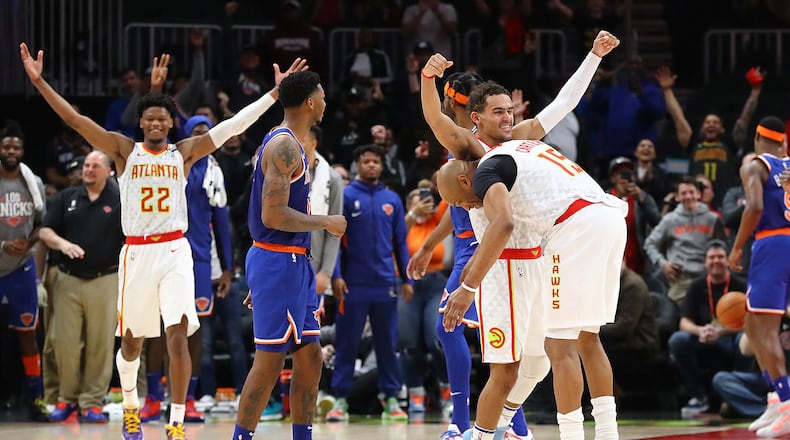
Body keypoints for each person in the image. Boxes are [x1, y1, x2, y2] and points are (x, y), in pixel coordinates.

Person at [20, 42, 307, 440]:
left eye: (162, 120)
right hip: (136, 252)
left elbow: (234, 125)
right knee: (133, 342)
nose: (156, 125)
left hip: (175, 250)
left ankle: (175, 422)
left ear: (171, 124)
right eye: (150, 120)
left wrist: (275, 94)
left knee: (178, 334)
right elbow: (76, 119)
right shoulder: (124, 151)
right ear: (142, 123)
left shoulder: (184, 153)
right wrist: (39, 82)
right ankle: (132, 410)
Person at [420, 30, 621, 440]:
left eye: (510, 110)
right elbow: (435, 119)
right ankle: (478, 429)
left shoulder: (522, 141)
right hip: (496, 263)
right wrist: (427, 80)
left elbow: (565, 103)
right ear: (477, 118)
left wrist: (593, 57)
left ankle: (511, 423)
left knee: (542, 358)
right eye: (499, 112)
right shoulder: (471, 149)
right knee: (513, 362)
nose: (508, 118)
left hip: (538, 257)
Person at [437, 138, 627, 440]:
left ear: (464, 180)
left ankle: (571, 435)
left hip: (573, 227)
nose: (466, 207)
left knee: (558, 347)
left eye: (460, 201)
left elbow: (503, 225)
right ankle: (607, 432)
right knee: (588, 339)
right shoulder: (519, 146)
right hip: (610, 215)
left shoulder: (486, 172)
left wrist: (468, 288)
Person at [409, 71, 534, 440]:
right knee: (492, 338)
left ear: (453, 100)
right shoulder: (467, 145)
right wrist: (430, 244)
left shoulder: (473, 145)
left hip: (480, 247)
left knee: (459, 330)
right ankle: (509, 424)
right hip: (469, 243)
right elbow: (457, 207)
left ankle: (465, 421)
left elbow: (434, 116)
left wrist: (426, 78)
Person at [231, 70, 347, 440]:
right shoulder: (282, 145)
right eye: (323, 96)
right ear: (311, 102)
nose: (326, 103)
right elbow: (272, 215)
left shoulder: (292, 144)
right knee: (267, 364)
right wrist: (326, 221)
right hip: (278, 261)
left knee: (310, 358)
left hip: (292, 263)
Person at [326, 144, 412, 423]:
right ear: (357, 166)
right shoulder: (347, 196)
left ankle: (391, 399)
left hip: (386, 283)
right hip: (353, 285)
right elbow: (335, 241)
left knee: (387, 343)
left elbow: (400, 241)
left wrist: (407, 279)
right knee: (347, 342)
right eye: (366, 161)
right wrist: (336, 276)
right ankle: (340, 399)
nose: (372, 165)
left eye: (376, 161)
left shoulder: (393, 199)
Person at [39, 151, 123, 423]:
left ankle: (92, 402)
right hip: (69, 279)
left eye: (95, 165)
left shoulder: (120, 200)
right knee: (64, 343)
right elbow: (44, 231)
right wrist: (63, 244)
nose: (88, 169)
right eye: (86, 165)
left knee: (101, 344)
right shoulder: (67, 198)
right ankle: (67, 399)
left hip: (106, 279)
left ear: (109, 171)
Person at [728, 116, 790, 436]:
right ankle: (776, 399)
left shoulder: (754, 164)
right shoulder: (789, 166)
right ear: (781, 141)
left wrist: (737, 247)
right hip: (787, 242)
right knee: (752, 325)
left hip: (772, 242)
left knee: (765, 330)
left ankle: (789, 402)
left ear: (756, 136)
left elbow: (753, 206)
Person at [668, 240, 750, 419]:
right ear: (705, 262)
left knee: (744, 339)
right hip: (703, 338)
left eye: (720, 257)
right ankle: (699, 397)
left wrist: (722, 331)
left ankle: (737, 395)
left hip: (730, 338)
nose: (716, 261)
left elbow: (750, 322)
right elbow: (684, 322)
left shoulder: (740, 285)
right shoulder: (697, 286)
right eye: (711, 257)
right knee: (678, 340)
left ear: (728, 260)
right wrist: (700, 331)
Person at [0, 120, 49, 421]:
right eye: (6, 146)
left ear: (22, 150)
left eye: (16, 146)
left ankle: (36, 397)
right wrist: (3, 245)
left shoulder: (34, 183)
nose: (11, 150)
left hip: (21, 269)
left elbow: (42, 224)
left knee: (28, 337)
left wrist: (28, 242)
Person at [643, 176, 726, 305]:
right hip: (681, 278)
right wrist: (663, 263)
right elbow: (650, 243)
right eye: (683, 193)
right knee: (678, 318)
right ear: (677, 197)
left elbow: (723, 246)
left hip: (707, 277)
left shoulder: (712, 218)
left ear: (698, 194)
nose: (688, 196)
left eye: (691, 192)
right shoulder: (669, 220)